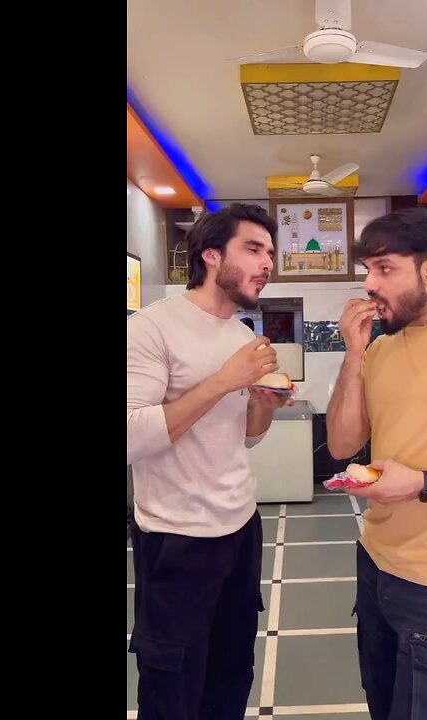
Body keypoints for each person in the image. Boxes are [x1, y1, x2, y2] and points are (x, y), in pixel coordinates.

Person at [126, 203, 294, 720]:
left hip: (241, 527)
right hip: (176, 537)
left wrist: (262, 407)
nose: (268, 263)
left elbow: (245, 437)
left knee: (231, 670)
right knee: (173, 681)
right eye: (253, 249)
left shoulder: (245, 338)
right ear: (211, 254)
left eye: (270, 252)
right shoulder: (151, 328)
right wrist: (225, 379)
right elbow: (131, 436)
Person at [325, 207, 427, 720]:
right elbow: (340, 443)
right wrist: (354, 354)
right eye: (367, 271)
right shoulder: (382, 349)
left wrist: (422, 482)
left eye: (385, 269)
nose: (370, 284)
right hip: (375, 563)